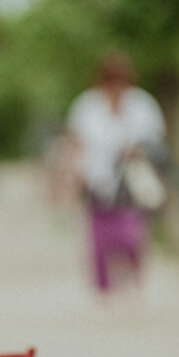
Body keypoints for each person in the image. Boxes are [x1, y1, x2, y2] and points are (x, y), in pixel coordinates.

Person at [66, 51, 166, 294]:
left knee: (132, 234)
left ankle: (133, 275)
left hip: (131, 179)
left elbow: (157, 139)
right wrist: (73, 175)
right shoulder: (87, 105)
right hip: (96, 179)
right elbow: (75, 143)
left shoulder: (142, 104)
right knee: (99, 237)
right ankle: (104, 287)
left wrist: (137, 150)